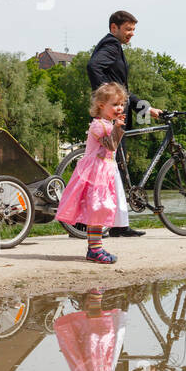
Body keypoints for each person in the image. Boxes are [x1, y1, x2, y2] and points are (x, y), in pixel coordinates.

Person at [86, 10, 162, 238]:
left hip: (115, 114)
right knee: (108, 168)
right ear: (114, 28)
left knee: (116, 168)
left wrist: (146, 108)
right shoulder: (111, 45)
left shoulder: (114, 47)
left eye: (133, 30)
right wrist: (107, 99)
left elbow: (123, 90)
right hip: (111, 118)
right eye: (128, 29)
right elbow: (93, 67)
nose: (131, 34)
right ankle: (90, 223)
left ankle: (119, 225)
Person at [55, 83, 127, 264]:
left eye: (122, 104)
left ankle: (96, 247)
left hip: (106, 171)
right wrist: (118, 128)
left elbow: (113, 146)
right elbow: (111, 145)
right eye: (115, 104)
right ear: (102, 105)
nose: (119, 108)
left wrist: (117, 128)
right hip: (96, 172)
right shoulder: (98, 125)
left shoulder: (109, 124)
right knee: (97, 209)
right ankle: (94, 249)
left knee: (101, 209)